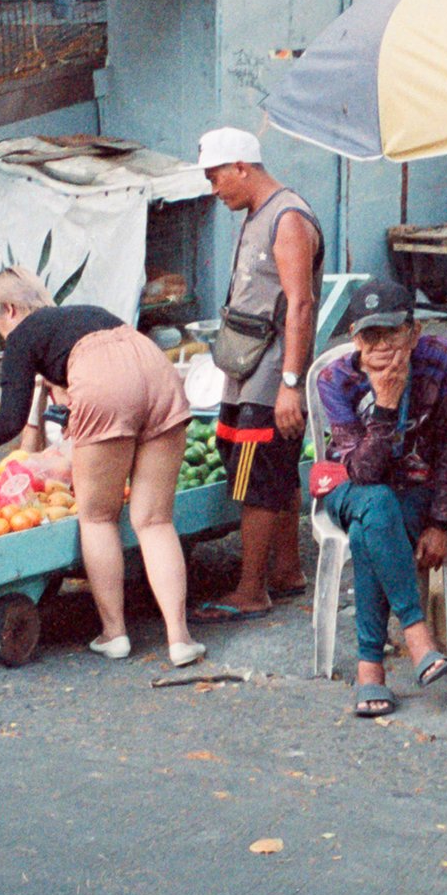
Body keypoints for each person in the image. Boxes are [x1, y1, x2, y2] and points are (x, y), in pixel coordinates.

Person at [0, 269, 206, 667]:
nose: (4, 339)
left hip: (107, 386)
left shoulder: (25, 334)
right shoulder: (85, 314)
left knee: (97, 517)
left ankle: (114, 634)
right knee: (153, 521)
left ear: (10, 310)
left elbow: (10, 420)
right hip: (156, 369)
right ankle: (179, 639)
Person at [189, 127, 321, 624]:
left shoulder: (286, 218)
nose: (214, 189)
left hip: (270, 374)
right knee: (275, 468)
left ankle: (251, 588)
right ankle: (286, 571)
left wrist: (290, 384)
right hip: (248, 365)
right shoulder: (258, 214)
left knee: (257, 472)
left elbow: (301, 303)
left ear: (242, 167)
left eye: (216, 177)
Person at [315, 278, 447, 716]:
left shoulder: (440, 359)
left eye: (390, 333)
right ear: (355, 340)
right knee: (373, 503)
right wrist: (385, 400)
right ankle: (418, 638)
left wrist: (440, 522)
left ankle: (370, 673)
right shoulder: (335, 380)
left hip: (411, 488)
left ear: (414, 333)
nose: (379, 347)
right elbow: (361, 472)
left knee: (370, 530)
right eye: (368, 336)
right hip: (345, 489)